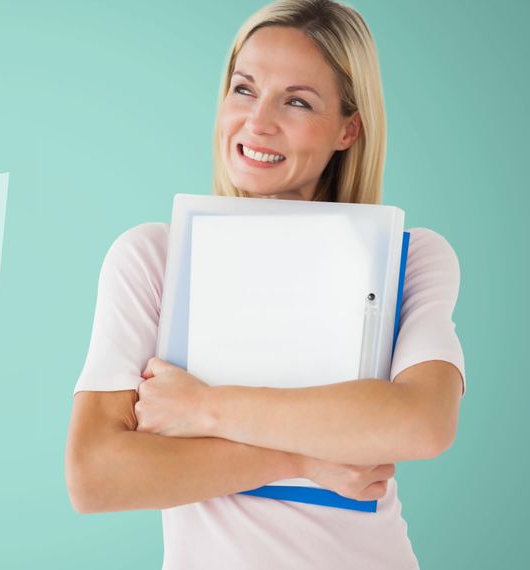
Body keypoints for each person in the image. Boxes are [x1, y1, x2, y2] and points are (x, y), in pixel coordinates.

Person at [64, 1, 465, 568]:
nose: (257, 122)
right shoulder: (154, 258)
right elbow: (97, 476)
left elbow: (421, 424)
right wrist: (301, 459)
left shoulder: (410, 257)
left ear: (349, 128)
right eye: (244, 89)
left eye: (297, 101)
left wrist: (202, 408)